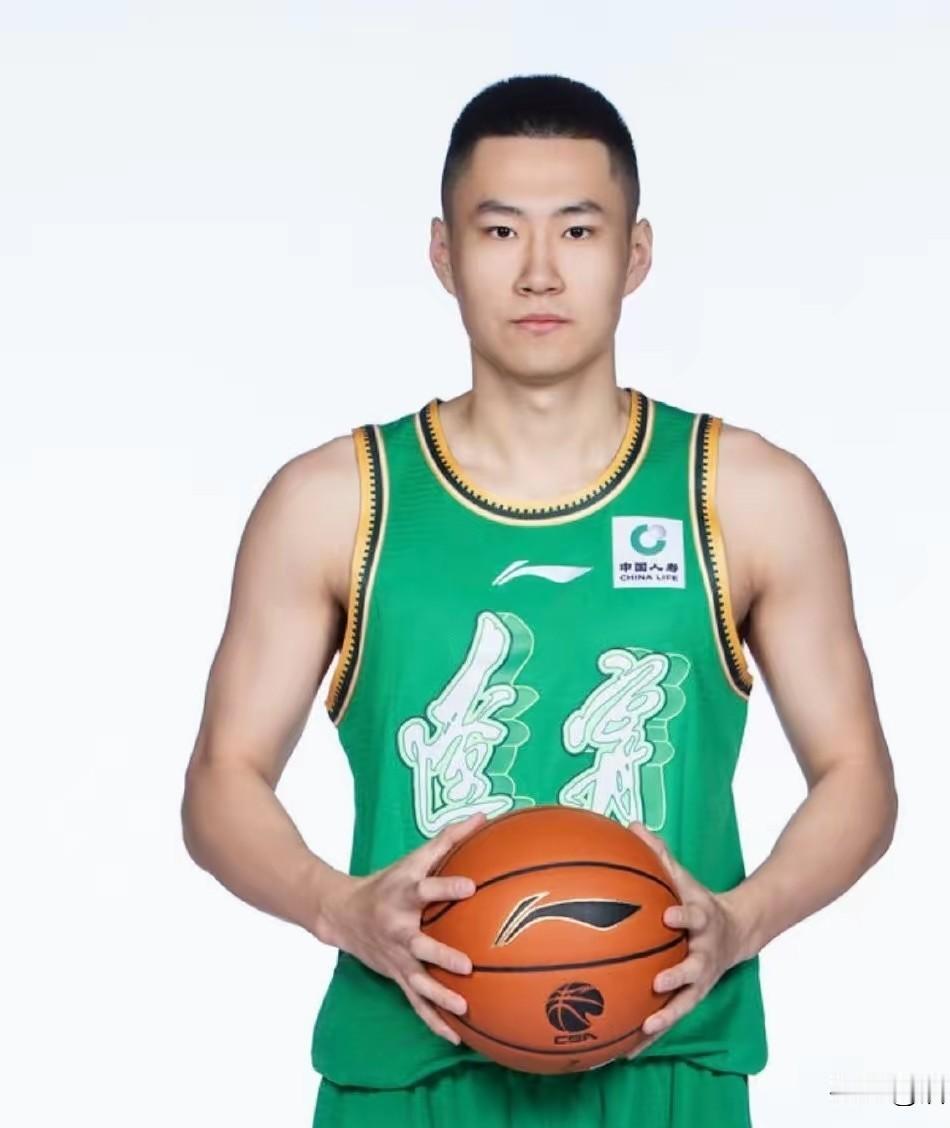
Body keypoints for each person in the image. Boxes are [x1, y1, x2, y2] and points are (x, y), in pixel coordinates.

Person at [181, 73, 898, 1128]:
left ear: (634, 254)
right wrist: (338, 906)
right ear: (443, 254)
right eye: (499, 230)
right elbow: (219, 782)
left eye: (576, 228)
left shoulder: (741, 496)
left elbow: (857, 776)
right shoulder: (338, 502)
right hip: (408, 1071)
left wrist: (742, 921)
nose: (538, 270)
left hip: (666, 1060)